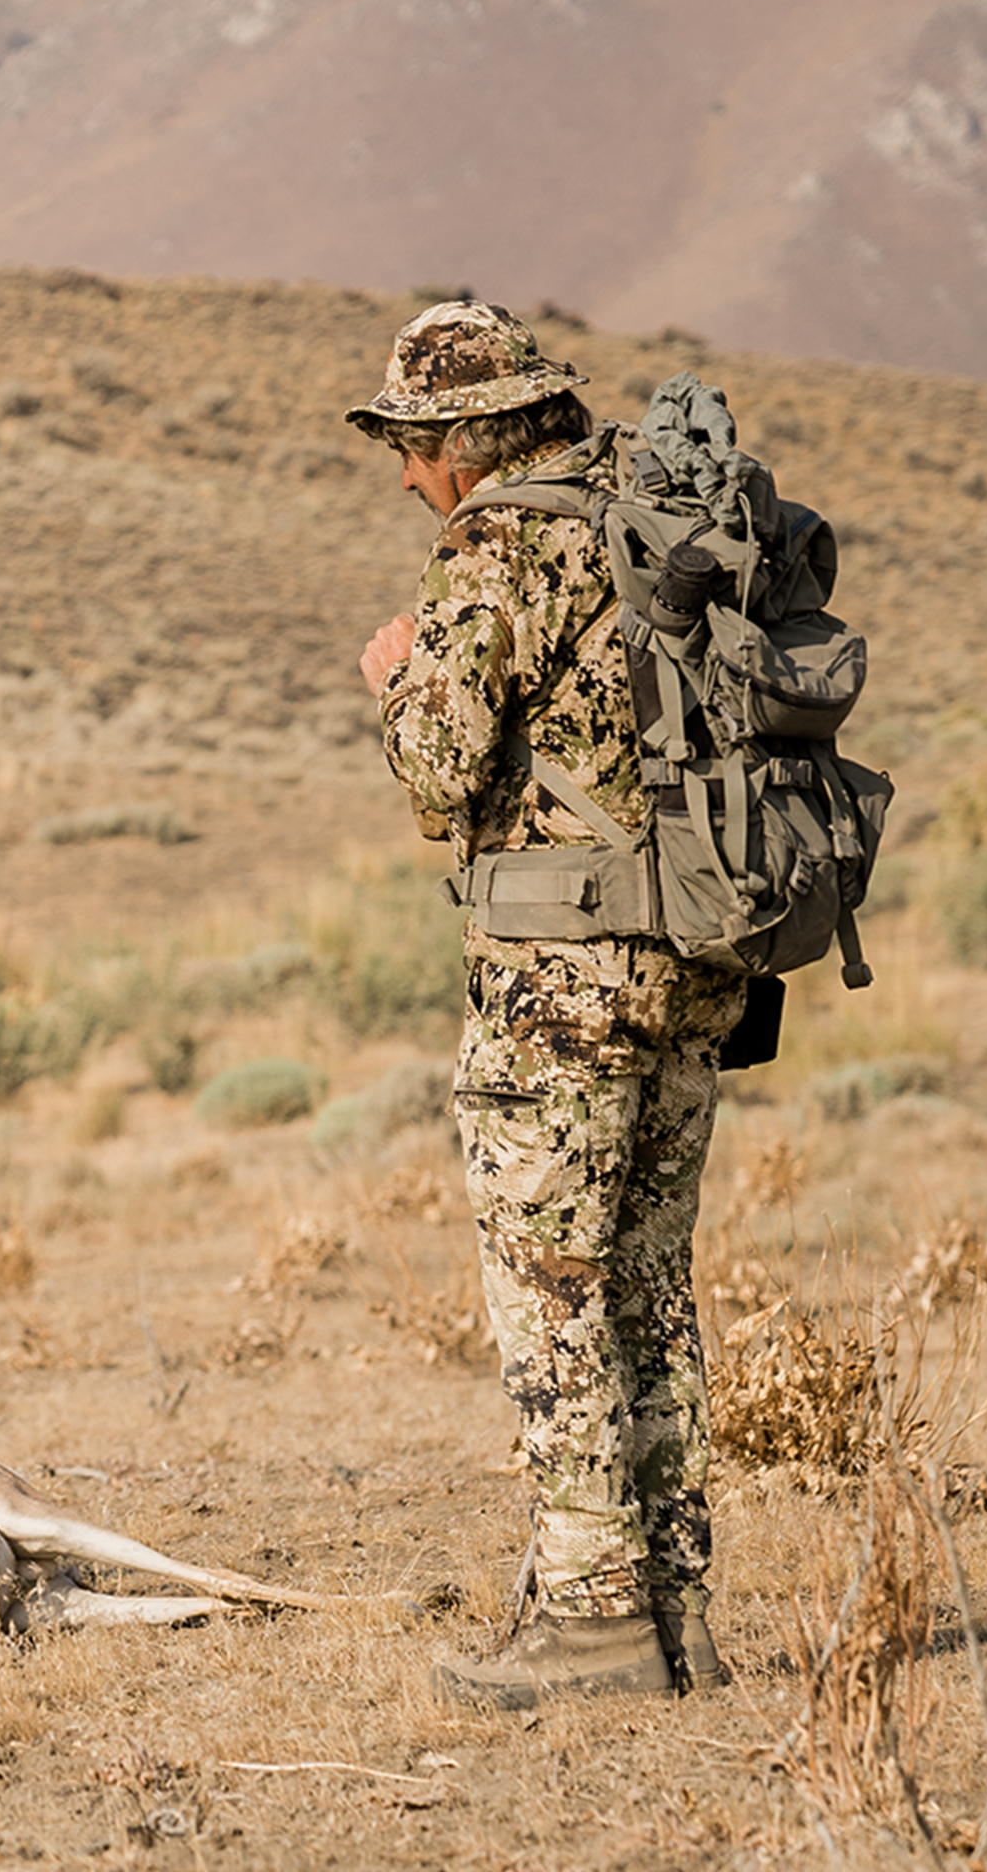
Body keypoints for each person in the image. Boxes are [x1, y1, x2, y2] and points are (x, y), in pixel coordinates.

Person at [350, 301, 749, 1707]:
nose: (406, 477)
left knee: (552, 1287)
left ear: (466, 437)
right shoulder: (649, 520)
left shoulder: (503, 542)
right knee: (647, 1283)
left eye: (411, 447)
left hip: (563, 978)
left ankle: (588, 1621)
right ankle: (676, 1612)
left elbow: (441, 771)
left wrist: (396, 681)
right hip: (699, 959)